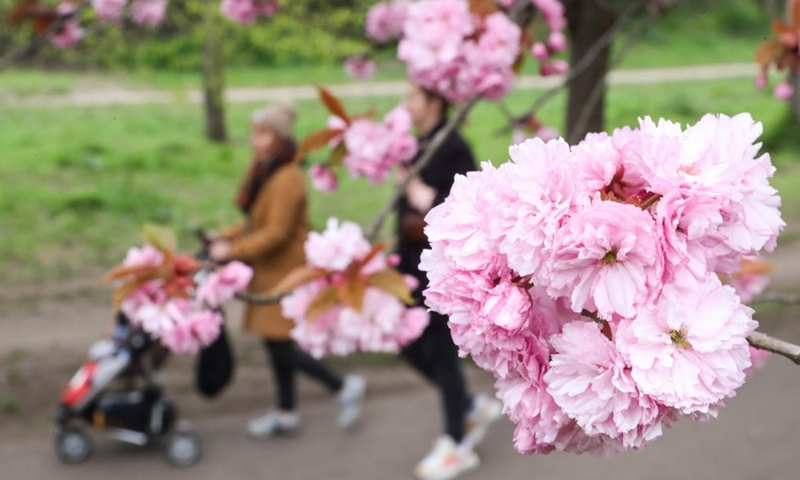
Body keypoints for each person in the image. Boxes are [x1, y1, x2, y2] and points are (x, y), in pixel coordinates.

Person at [210, 104, 365, 438]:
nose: (255, 140)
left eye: (262, 133)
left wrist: (232, 252)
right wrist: (226, 236)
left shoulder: (288, 178)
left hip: (286, 270)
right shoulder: (265, 168)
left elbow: (277, 233)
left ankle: (341, 385)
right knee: (275, 342)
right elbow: (256, 221)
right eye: (254, 132)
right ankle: (286, 410)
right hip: (269, 270)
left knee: (281, 345)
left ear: (279, 137)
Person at [398, 85, 503, 480]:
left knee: (443, 354)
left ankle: (456, 445)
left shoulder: (454, 146)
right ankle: (468, 408)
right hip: (411, 264)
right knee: (406, 342)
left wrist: (425, 197)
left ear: (434, 103)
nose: (406, 104)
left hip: (442, 271)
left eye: (413, 98)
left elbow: (463, 205)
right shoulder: (420, 143)